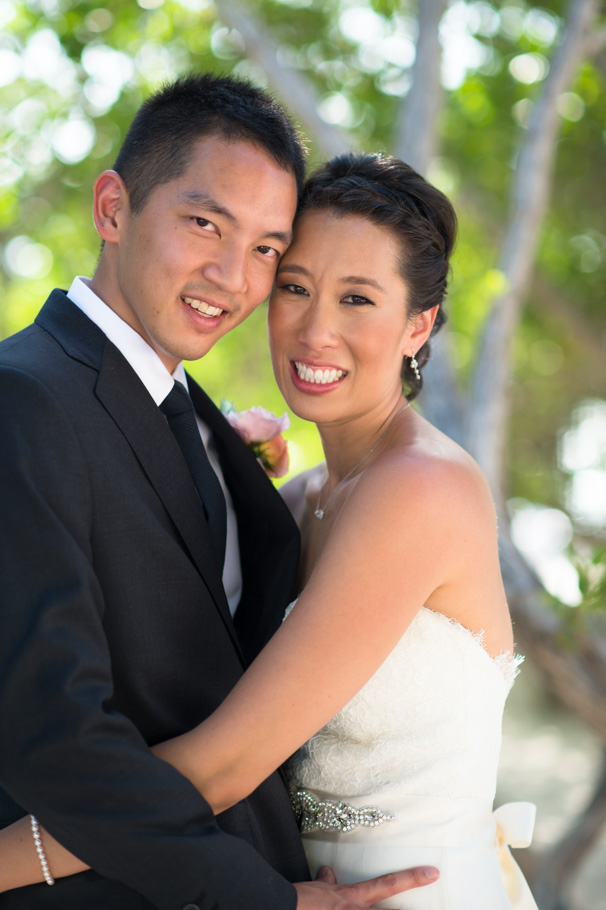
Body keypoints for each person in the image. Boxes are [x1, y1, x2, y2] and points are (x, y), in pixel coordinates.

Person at [0, 145, 538, 907]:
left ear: (419, 326)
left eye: (357, 299)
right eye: (294, 286)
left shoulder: (423, 489)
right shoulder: (295, 500)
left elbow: (223, 765)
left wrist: (5, 863)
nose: (315, 330)